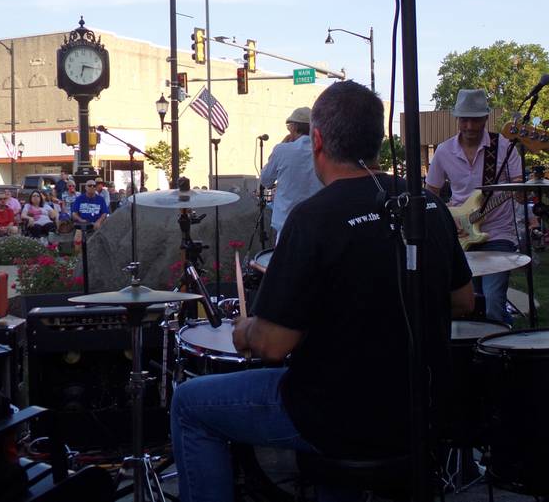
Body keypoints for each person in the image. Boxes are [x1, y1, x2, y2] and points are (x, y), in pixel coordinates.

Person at [171, 81, 474, 502]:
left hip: (338, 416)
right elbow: (463, 300)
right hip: (423, 407)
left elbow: (274, 345)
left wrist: (244, 331)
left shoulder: (312, 218)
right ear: (378, 141)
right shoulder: (425, 205)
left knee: (189, 404)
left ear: (316, 140)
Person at [425, 89, 523, 324]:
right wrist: (448, 223)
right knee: (470, 303)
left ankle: (500, 349)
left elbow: (519, 188)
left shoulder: (505, 147)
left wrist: (523, 190)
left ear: (485, 118)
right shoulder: (443, 151)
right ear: (456, 119)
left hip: (499, 233)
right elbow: (431, 194)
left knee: (492, 301)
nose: (469, 125)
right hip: (460, 234)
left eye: (475, 119)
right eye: (464, 119)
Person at [259, 106, 324, 242]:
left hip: (287, 224)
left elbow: (265, 180)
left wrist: (280, 147)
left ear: (294, 127)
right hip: (318, 224)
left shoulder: (282, 150)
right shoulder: (324, 152)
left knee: (286, 262)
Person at [71, 180, 109, 251]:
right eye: (89, 185)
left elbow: (105, 213)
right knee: (77, 239)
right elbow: (74, 213)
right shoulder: (79, 198)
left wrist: (99, 221)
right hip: (83, 223)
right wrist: (81, 220)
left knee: (102, 238)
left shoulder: (101, 199)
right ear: (85, 187)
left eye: (94, 186)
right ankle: (78, 258)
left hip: (96, 223)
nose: (92, 187)